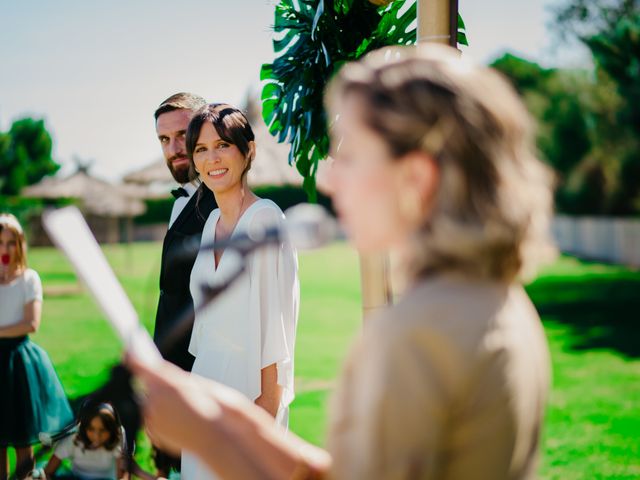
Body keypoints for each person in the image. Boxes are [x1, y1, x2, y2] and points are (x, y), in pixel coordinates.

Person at [128, 44, 556, 479]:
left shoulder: (423, 333)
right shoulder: (494, 303)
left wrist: (212, 436)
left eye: (351, 157)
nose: (330, 178)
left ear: (417, 178)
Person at [180, 103, 299, 480]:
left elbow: (275, 332)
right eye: (201, 149)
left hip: (248, 399)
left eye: (222, 146)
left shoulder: (265, 220)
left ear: (248, 150)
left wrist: (263, 417)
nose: (212, 158)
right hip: (206, 390)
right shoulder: (211, 220)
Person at [152, 92, 217, 476]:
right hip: (170, 373)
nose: (174, 149)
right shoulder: (180, 204)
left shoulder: (225, 209)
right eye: (163, 140)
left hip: (202, 377)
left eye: (182, 135)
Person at [0, 214, 74, 480]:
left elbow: (31, 323)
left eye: (11, 243)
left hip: (18, 363)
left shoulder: (29, 279)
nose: (5, 250)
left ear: (20, 245)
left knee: (22, 441)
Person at [44, 402, 128, 480]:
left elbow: (122, 476)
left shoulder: (118, 434)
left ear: (111, 429)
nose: (96, 436)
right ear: (84, 428)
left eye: (102, 430)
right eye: (91, 429)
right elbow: (48, 472)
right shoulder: (74, 435)